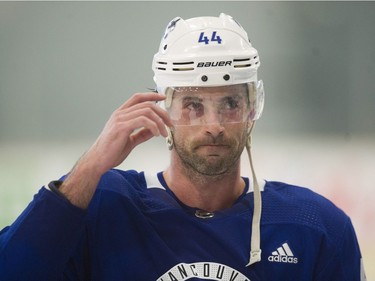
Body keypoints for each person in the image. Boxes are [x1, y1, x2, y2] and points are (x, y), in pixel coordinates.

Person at [0, 13, 366, 281]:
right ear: (162, 109)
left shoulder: (314, 227)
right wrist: (92, 165)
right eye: (193, 105)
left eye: (230, 104)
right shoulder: (105, 206)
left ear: (253, 108)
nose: (213, 126)